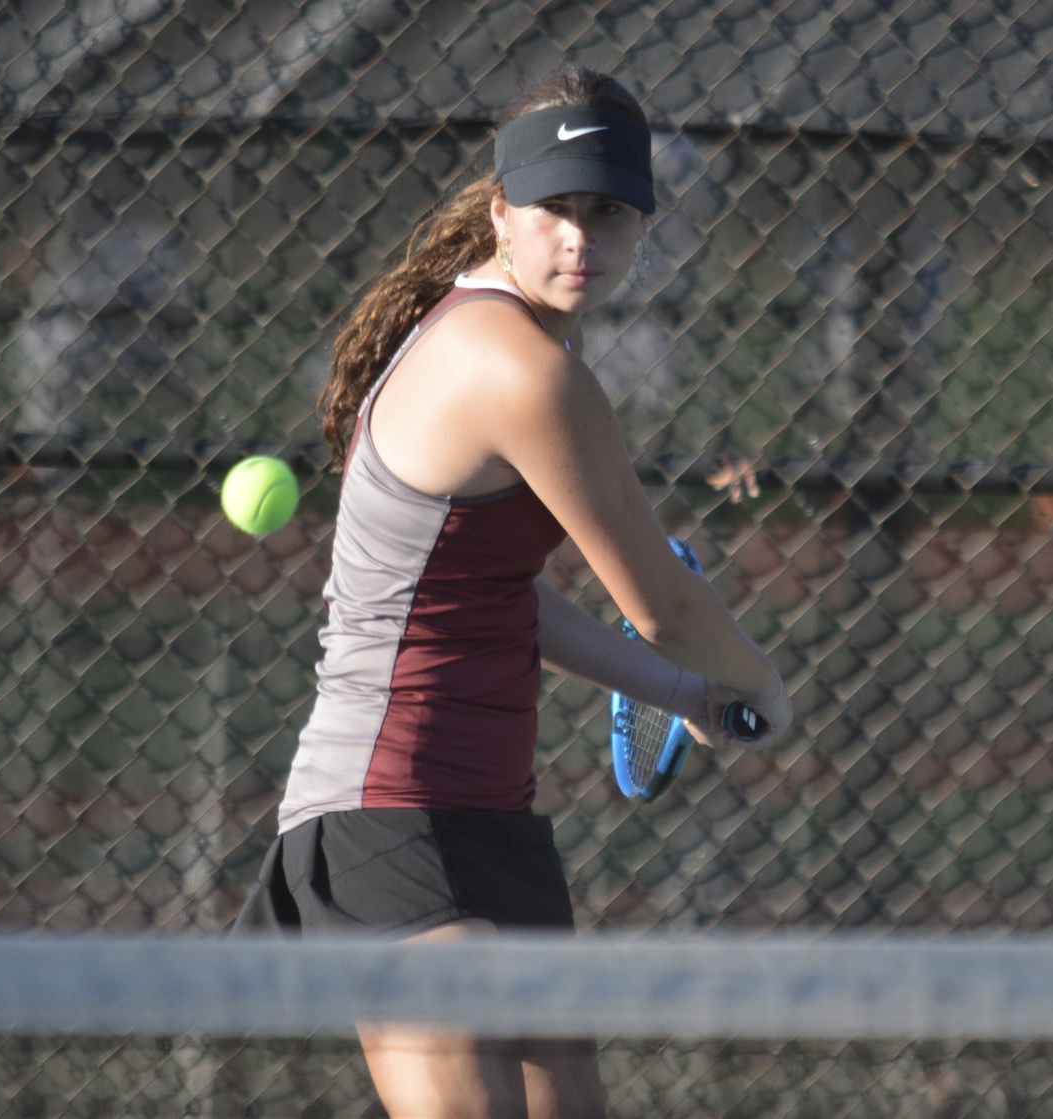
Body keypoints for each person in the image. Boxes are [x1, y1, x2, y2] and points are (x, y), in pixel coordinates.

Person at [233, 62, 793, 1119]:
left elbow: (492, 596)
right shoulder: (523, 372)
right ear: (501, 212)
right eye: (555, 211)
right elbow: (664, 604)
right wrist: (763, 684)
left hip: (492, 817)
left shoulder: (497, 335)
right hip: (384, 810)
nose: (581, 238)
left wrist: (684, 694)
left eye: (610, 213)